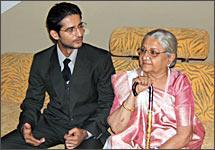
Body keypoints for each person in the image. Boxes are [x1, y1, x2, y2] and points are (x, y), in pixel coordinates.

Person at [1, 2, 115, 149]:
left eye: (80, 26)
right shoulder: (41, 60)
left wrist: (86, 132)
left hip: (86, 125)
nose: (80, 33)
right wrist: (27, 124)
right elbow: (33, 100)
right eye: (71, 30)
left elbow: (108, 103)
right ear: (55, 34)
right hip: (52, 123)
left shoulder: (100, 59)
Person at [103, 29, 205, 149]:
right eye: (143, 50)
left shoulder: (178, 82)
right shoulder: (126, 80)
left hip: (170, 145)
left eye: (153, 52)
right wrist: (133, 94)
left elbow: (184, 135)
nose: (145, 56)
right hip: (129, 145)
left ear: (170, 58)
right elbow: (116, 127)